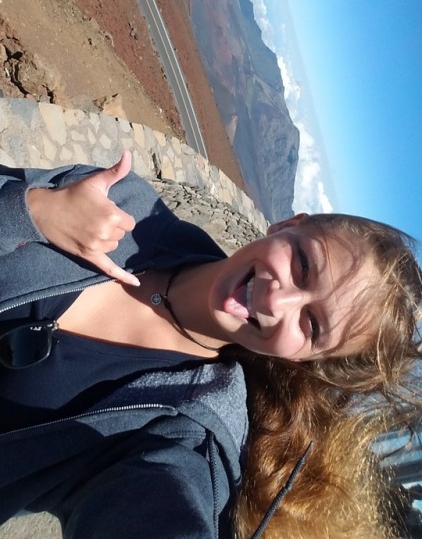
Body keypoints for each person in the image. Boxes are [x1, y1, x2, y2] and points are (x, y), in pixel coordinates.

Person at [0, 152, 420, 538]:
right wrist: (30, 210)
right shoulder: (126, 202)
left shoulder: (191, 436)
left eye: (311, 325)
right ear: (288, 225)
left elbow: (158, 503)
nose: (276, 300)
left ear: (304, 358)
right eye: (303, 264)